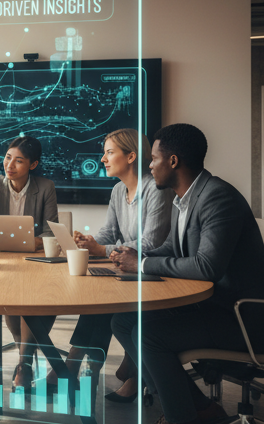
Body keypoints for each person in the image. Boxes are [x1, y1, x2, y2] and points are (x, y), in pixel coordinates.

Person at [111, 124, 264, 424]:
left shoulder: (217, 197)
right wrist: (134, 258)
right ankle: (194, 409)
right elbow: (173, 248)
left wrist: (143, 264)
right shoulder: (184, 197)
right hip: (218, 306)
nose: (150, 165)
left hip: (247, 318)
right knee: (123, 319)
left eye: (154, 159)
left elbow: (207, 266)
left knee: (149, 335)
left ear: (173, 161)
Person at [45, 129, 174, 401]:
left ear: (131, 156)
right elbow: (109, 232)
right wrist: (89, 241)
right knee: (99, 297)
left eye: (109, 153)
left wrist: (101, 250)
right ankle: (85, 369)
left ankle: (81, 368)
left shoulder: (155, 189)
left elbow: (151, 242)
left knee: (104, 302)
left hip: (156, 276)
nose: (103, 159)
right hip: (128, 270)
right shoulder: (118, 190)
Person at [0, 136, 58, 391]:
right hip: (3, 261)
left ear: (33, 165)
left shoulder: (45, 187)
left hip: (35, 261)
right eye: (8, 157)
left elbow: (50, 232)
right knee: (13, 301)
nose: (10, 165)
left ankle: (24, 363)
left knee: (38, 299)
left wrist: (30, 242)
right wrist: (20, 240)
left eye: (19, 161)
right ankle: (26, 357)